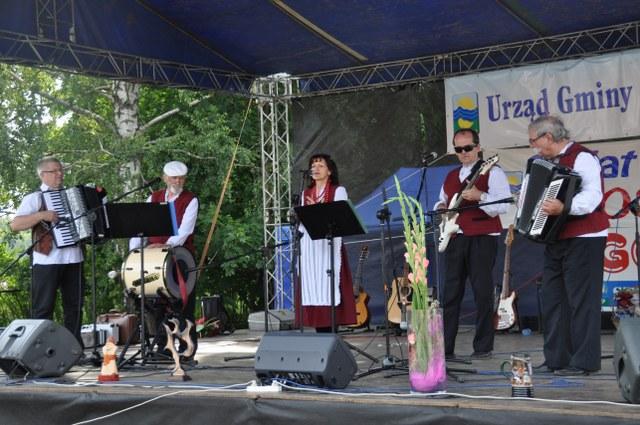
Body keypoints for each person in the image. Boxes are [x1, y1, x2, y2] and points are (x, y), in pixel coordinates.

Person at [527, 115, 608, 376]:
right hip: (556, 238)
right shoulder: (543, 163)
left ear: (548, 137)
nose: (533, 147)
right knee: (553, 298)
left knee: (582, 301)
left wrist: (565, 207)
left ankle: (584, 361)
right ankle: (557, 359)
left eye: (533, 141)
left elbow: (593, 196)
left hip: (586, 237)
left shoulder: (582, 157)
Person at [435, 128, 511, 359]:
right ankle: (445, 347)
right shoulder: (451, 176)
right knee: (450, 294)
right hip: (455, 237)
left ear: (478, 147)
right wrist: (441, 208)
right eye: (458, 149)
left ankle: (483, 347)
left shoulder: (492, 172)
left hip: (482, 237)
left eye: (468, 148)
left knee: (482, 293)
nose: (464, 153)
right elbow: (442, 201)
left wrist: (481, 196)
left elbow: (503, 205)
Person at [10, 157, 85, 345]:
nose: (60, 174)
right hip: (47, 260)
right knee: (43, 309)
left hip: (74, 258)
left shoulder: (74, 196)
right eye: (54, 171)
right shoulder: (34, 198)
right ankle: (40, 350)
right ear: (42, 175)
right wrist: (41, 215)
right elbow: (15, 225)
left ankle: (73, 349)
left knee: (74, 308)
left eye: (61, 170)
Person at [129, 160, 199, 359]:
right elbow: (140, 226)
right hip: (154, 259)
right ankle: (163, 348)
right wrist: (134, 250)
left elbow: (184, 233)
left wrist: (163, 246)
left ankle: (187, 350)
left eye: (181, 178)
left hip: (180, 259)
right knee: (158, 304)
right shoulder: (153, 198)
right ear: (165, 178)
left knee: (183, 305)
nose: (178, 181)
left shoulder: (190, 200)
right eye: (174, 178)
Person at [296, 153, 357, 332]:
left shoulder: (338, 191)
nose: (315, 168)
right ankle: (320, 335)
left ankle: (332, 336)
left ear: (329, 171)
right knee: (313, 287)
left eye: (320, 165)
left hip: (329, 247)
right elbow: (302, 222)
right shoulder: (304, 194)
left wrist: (317, 209)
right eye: (313, 165)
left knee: (329, 287)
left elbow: (340, 218)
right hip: (310, 249)